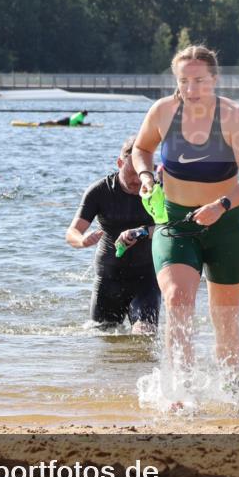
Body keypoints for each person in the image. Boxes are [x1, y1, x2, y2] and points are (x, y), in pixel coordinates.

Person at [131, 44, 239, 371]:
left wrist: (222, 205)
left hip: (228, 227)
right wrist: (146, 176)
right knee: (176, 299)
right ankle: (179, 389)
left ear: (214, 79)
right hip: (176, 224)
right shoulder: (162, 111)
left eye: (199, 81)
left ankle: (231, 389)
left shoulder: (233, 116)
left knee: (225, 320)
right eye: (183, 81)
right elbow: (141, 148)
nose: (191, 89)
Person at [66, 136, 160, 333]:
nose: (137, 180)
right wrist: (82, 241)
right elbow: (72, 233)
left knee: (145, 334)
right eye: (131, 172)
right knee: (102, 337)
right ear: (119, 163)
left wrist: (141, 232)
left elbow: (170, 228)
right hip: (108, 278)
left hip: (146, 278)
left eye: (142, 173)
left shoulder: (157, 191)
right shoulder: (100, 191)